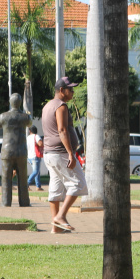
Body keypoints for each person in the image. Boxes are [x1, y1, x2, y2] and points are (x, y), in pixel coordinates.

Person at [42, 76, 88, 233]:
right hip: (60, 153)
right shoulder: (61, 106)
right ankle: (60, 216)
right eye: (70, 89)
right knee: (78, 184)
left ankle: (56, 227)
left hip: (49, 154)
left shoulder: (47, 106)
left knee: (56, 189)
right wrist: (70, 153)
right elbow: (62, 130)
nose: (73, 92)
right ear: (61, 90)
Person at [0, 93, 32, 207]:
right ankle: (24, 202)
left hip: (7, 152)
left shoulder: (4, 116)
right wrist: (28, 114)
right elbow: (30, 122)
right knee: (23, 180)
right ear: (20, 103)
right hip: (21, 152)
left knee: (6, 179)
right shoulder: (25, 117)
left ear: (10, 102)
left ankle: (6, 202)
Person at [27, 125, 44, 191]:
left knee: (37, 172)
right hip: (35, 156)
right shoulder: (36, 136)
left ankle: (38, 186)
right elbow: (40, 144)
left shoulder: (28, 137)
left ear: (30, 131)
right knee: (36, 171)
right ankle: (26, 184)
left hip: (30, 156)